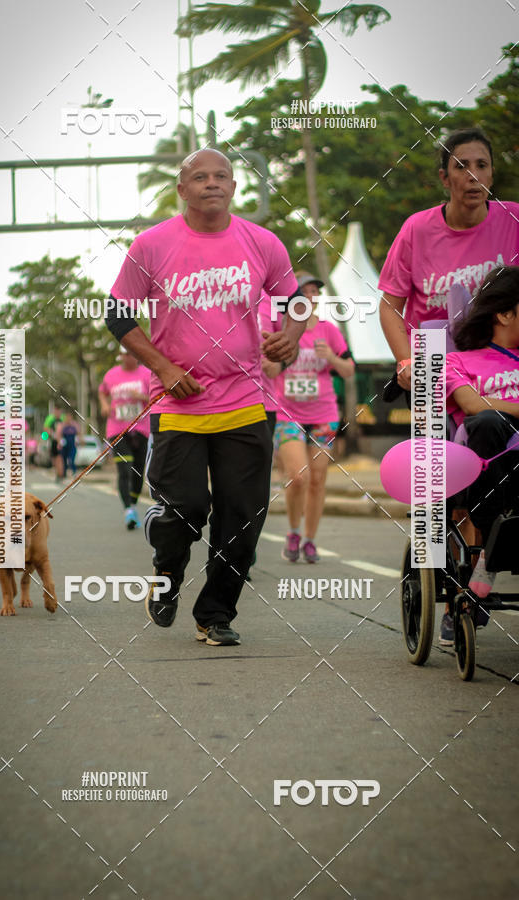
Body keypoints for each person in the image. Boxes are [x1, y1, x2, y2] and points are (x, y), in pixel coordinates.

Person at [105, 148, 305, 646]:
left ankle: (215, 614)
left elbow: (293, 300)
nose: (211, 183)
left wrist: (293, 332)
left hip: (244, 399)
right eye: (199, 176)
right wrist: (164, 367)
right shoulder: (151, 246)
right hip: (177, 405)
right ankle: (166, 577)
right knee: (186, 508)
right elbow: (118, 316)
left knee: (242, 516)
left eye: (221, 176)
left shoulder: (262, 242)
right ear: (182, 188)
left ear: (234, 186)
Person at [379, 127, 519, 392]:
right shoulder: (416, 229)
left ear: (491, 175)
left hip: (501, 363)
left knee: (494, 429)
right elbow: (389, 306)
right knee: (434, 434)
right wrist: (407, 362)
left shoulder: (514, 220)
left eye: (482, 165)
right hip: (432, 361)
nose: (473, 176)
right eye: (461, 167)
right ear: (444, 178)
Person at [443, 265, 519, 641]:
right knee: (487, 421)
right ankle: (488, 553)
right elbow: (471, 406)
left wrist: (498, 402)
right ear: (505, 313)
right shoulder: (459, 361)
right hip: (488, 462)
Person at [273, 274, 355, 563]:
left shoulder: (328, 331)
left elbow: (348, 370)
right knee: (298, 477)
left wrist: (331, 358)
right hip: (287, 414)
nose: (311, 296)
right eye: (305, 291)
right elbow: (267, 368)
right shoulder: (282, 329)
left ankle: (309, 539)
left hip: (324, 414)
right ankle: (293, 532)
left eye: (315, 292)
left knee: (318, 479)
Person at [99, 351, 151, 530]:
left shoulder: (147, 374)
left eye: (130, 354)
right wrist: (105, 405)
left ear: (136, 356)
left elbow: (159, 398)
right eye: (123, 354)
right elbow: (102, 392)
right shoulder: (111, 374)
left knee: (137, 472)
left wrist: (141, 397)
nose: (127, 357)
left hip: (141, 429)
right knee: (124, 469)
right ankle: (128, 509)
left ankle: (133, 505)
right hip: (117, 429)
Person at [44, 406, 64, 482]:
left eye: (59, 411)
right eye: (56, 411)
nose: (58, 413)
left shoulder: (62, 418)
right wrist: (52, 434)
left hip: (60, 441)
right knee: (55, 459)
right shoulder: (50, 419)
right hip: (54, 441)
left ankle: (60, 474)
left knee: (60, 458)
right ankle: (58, 473)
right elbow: (46, 428)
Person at [57, 412, 79, 479]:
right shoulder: (62, 425)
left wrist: (80, 441)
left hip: (72, 445)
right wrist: (59, 443)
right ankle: (64, 473)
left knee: (71, 459)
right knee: (64, 460)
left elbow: (79, 434)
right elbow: (59, 435)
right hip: (64, 446)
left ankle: (74, 472)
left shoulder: (75, 425)